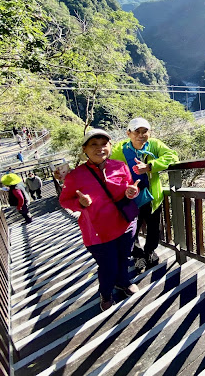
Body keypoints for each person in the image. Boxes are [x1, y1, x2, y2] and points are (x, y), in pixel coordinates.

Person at [59, 128, 141, 311]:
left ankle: (124, 282)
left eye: (104, 144)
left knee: (124, 258)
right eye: (93, 144)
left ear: (110, 146)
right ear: (85, 149)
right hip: (98, 233)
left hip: (125, 225)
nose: (100, 148)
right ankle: (105, 293)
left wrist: (131, 192)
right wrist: (80, 203)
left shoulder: (120, 166)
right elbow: (64, 201)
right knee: (107, 267)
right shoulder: (75, 176)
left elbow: (128, 189)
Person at [110, 117, 179, 270]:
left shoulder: (154, 144)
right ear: (128, 133)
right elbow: (105, 164)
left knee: (154, 228)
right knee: (131, 229)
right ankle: (137, 255)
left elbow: (172, 156)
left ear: (149, 132)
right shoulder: (119, 149)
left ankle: (149, 251)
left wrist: (150, 166)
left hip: (152, 197)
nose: (141, 135)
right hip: (129, 198)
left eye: (144, 131)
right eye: (137, 131)